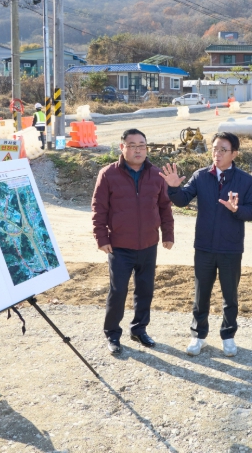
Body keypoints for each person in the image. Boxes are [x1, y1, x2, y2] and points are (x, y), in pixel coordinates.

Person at [160, 132, 252, 357]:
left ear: (234, 154)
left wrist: (237, 210)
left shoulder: (244, 180)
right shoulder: (201, 176)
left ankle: (228, 336)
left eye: (223, 150)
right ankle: (198, 335)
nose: (217, 153)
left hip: (230, 248)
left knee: (230, 295)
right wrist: (173, 188)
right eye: (215, 149)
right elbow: (183, 200)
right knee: (201, 293)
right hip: (204, 246)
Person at [91, 128, 174, 354]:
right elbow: (99, 209)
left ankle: (139, 329)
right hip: (119, 246)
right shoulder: (108, 174)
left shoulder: (156, 174)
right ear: (122, 148)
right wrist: (101, 237)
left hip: (148, 244)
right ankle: (112, 334)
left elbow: (165, 207)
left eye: (142, 146)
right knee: (118, 291)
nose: (138, 150)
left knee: (145, 290)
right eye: (133, 146)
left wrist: (167, 234)